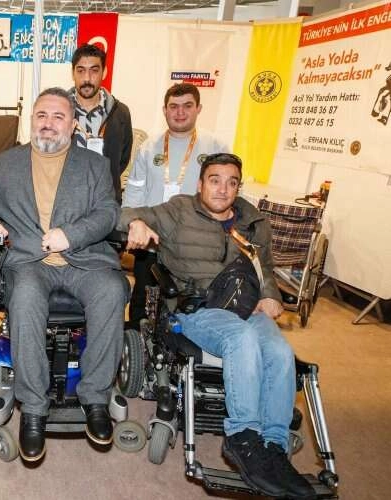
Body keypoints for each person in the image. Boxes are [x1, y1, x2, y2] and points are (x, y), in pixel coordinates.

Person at [120, 153, 315, 499]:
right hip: (197, 309)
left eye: (231, 182)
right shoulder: (178, 210)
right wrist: (135, 222)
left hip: (247, 307)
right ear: (200, 184)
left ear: (238, 187)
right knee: (242, 339)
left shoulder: (253, 222)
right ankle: (243, 438)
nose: (223, 189)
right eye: (214, 180)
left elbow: (265, 268)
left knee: (280, 352)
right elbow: (121, 214)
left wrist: (270, 295)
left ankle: (274, 447)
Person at [0, 87, 128, 461]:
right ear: (32, 120)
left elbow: (108, 213)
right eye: (42, 115)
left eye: (59, 116)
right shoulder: (6, 162)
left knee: (112, 290)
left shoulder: (95, 165)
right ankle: (34, 407)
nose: (48, 123)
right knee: (24, 297)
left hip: (84, 259)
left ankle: (95, 397)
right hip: (28, 261)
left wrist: (70, 235)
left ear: (72, 125)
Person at [123, 83, 229, 328]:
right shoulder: (149, 147)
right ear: (165, 110)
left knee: (190, 306)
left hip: (196, 245)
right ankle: (136, 344)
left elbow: (228, 194)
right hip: (152, 243)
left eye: (187, 106)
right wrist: (133, 221)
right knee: (141, 302)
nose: (180, 112)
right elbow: (134, 192)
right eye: (174, 106)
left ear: (198, 109)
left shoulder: (215, 147)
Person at [69, 44, 133, 203]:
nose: (87, 78)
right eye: (81, 70)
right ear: (72, 73)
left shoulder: (120, 112)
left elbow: (122, 160)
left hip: (105, 201)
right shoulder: (59, 112)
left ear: (104, 72)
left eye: (94, 70)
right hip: (66, 200)